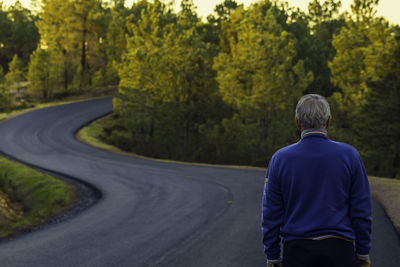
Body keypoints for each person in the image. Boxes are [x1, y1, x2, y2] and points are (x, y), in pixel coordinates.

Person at [261, 94, 372, 267]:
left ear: (297, 122)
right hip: (340, 250)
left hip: (297, 250)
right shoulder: (350, 155)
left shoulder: (280, 159)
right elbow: (361, 209)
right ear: (329, 121)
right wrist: (363, 252)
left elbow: (271, 213)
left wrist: (273, 255)